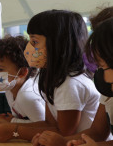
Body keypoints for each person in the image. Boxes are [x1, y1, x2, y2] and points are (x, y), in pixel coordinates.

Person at [0, 10, 100, 142]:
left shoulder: (70, 84)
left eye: (34, 42)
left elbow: (63, 134)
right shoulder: (51, 79)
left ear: (57, 44)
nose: (29, 47)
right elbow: (49, 125)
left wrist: (14, 131)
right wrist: (9, 125)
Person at [32, 11, 113, 146]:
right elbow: (98, 132)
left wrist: (14, 130)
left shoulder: (71, 84)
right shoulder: (107, 90)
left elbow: (64, 130)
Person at [0, 35, 45, 126]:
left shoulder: (27, 96)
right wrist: (6, 120)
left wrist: (10, 122)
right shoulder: (10, 91)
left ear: (22, 72)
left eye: (0, 69)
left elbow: (44, 127)